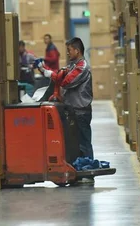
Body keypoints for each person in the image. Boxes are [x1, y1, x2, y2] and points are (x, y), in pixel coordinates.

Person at [37, 37, 94, 184]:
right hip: (74, 110)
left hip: (81, 111)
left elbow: (66, 81)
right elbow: (62, 75)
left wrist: (49, 74)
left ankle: (88, 173)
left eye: (69, 50)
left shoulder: (82, 67)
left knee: (84, 143)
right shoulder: (73, 65)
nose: (68, 53)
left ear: (77, 50)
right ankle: (80, 170)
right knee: (76, 143)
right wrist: (46, 71)